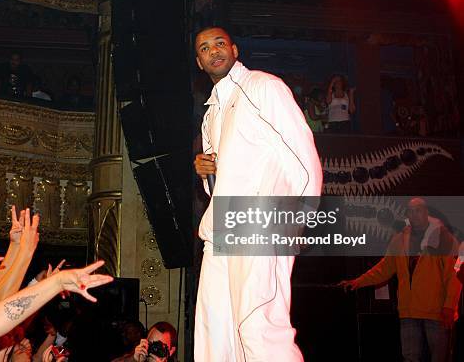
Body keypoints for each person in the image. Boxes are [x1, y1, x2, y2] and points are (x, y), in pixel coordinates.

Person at [193, 26, 322, 361]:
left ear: (235, 50)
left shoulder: (263, 86)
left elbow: (302, 153)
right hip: (221, 230)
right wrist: (207, 173)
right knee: (216, 332)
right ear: (199, 61)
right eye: (205, 48)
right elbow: (223, 181)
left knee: (258, 325)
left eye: (220, 43)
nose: (214, 51)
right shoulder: (210, 114)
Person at [339, 197, 461, 362]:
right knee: (410, 358)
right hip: (409, 310)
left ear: (426, 213)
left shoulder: (443, 239)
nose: (414, 214)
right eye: (410, 211)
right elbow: (384, 268)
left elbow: (454, 276)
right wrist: (358, 281)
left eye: (418, 210)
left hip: (437, 312)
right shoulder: (399, 240)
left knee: (440, 358)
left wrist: (449, 306)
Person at [112, 321, 176, 362]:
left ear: (171, 351)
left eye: (160, 346)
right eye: (151, 344)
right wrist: (133, 359)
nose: (155, 349)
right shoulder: (140, 356)